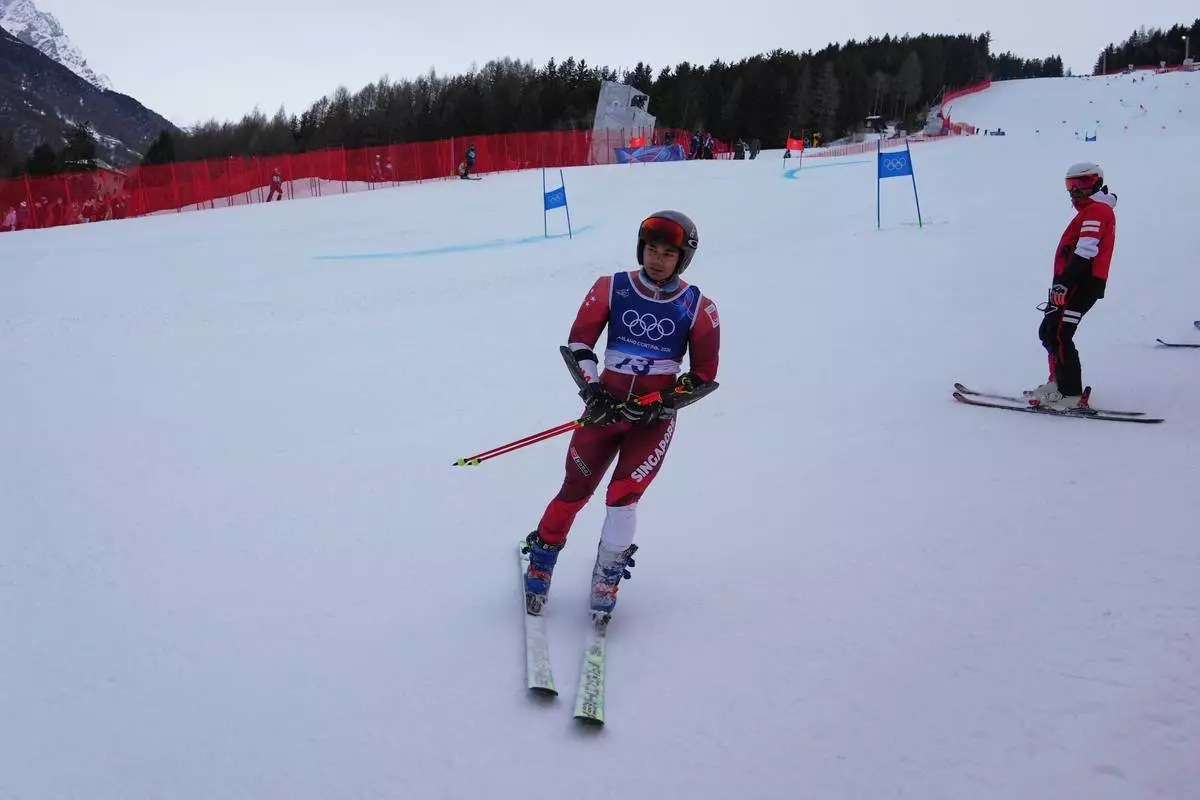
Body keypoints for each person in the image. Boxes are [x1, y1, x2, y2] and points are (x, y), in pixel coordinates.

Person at [522, 211, 721, 619]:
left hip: (651, 421)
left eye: (669, 253)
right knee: (574, 489)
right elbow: (579, 343)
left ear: (682, 259)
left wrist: (660, 404)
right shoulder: (611, 288)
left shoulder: (699, 307)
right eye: (651, 249)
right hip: (604, 411)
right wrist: (592, 388)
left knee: (622, 497)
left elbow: (702, 376)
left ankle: (607, 573)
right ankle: (542, 556)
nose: (657, 259)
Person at [1025, 162, 1117, 410]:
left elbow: (1087, 250)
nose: (1075, 190)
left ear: (1096, 183)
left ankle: (1070, 393)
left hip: (1081, 282)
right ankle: (1057, 383)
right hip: (1071, 282)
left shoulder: (1097, 211)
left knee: (1059, 333)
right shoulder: (1089, 211)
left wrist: (1065, 283)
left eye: (1083, 184)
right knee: (1049, 330)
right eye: (1071, 184)